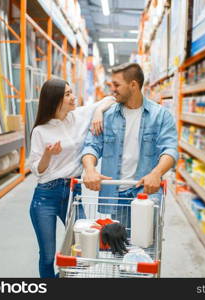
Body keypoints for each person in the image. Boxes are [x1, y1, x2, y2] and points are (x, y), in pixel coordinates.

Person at [81, 63, 178, 254]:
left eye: (116, 85)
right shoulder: (107, 115)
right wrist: (90, 169)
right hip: (118, 192)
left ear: (133, 85)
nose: (112, 90)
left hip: (146, 192)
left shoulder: (160, 116)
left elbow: (170, 150)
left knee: (146, 250)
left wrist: (156, 173)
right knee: (121, 248)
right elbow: (92, 146)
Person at [29, 78, 115, 278]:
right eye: (67, 94)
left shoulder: (79, 116)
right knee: (49, 256)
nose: (73, 97)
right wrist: (48, 155)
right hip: (46, 196)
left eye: (71, 92)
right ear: (55, 100)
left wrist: (98, 112)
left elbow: (109, 98)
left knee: (85, 246)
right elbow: (37, 170)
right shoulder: (41, 131)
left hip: (73, 193)